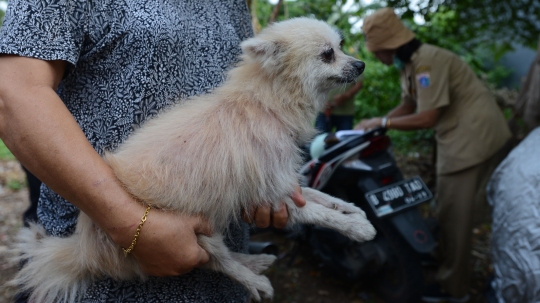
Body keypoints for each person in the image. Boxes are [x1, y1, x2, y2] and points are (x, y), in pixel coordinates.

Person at [0, 0, 305, 302]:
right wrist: (133, 224)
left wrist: (263, 170)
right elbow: (14, 94)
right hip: (102, 281)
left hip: (219, 280)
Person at [356, 8, 512, 303]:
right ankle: (443, 260)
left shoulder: (427, 63)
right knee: (447, 207)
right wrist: (376, 123)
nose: (376, 58)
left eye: (377, 52)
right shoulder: (410, 64)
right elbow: (407, 105)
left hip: (472, 140)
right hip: (463, 137)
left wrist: (383, 123)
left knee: (456, 216)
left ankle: (454, 289)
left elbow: (426, 117)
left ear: (389, 46)